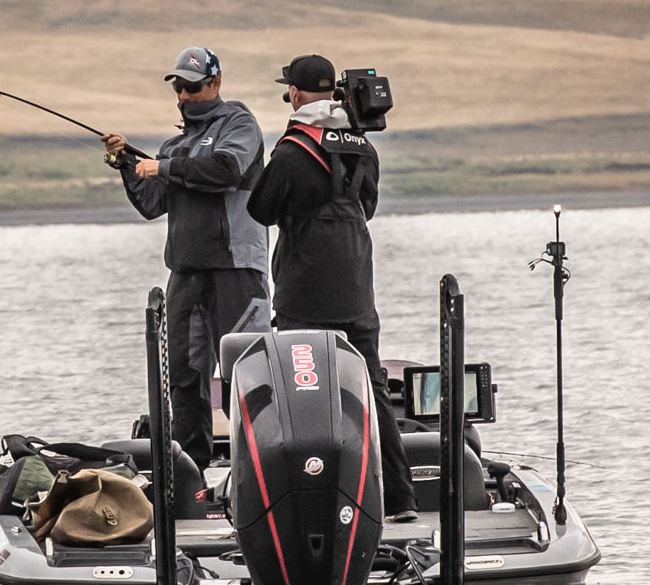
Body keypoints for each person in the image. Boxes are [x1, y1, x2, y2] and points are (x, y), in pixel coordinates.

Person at [246, 53, 417, 521]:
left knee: (301, 391)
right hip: (356, 285)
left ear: (295, 94)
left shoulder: (290, 151)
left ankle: (308, 494)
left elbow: (260, 210)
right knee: (373, 387)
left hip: (304, 288)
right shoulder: (363, 147)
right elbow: (368, 207)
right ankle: (400, 499)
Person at [101, 46, 271, 471]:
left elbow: (226, 170)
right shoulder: (173, 146)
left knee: (246, 374)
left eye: (192, 87)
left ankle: (262, 465)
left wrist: (164, 167)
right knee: (183, 374)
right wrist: (128, 164)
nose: (184, 96)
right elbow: (151, 204)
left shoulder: (239, 123)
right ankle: (190, 471)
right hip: (186, 273)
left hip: (236, 269)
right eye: (178, 87)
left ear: (215, 83)